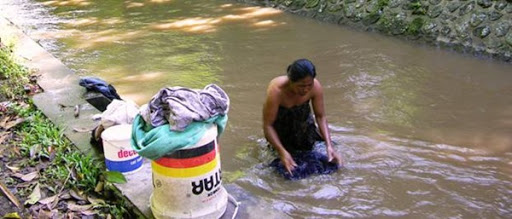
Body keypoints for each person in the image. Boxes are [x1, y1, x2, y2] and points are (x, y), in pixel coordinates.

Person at [263, 58, 343, 180]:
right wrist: (282, 152)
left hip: (304, 126)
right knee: (285, 172)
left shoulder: (315, 87)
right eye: (301, 86)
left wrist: (329, 145)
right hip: (281, 130)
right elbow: (268, 125)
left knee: (326, 162)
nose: (305, 90)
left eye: (308, 85)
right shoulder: (276, 91)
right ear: (290, 81)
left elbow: (321, 117)